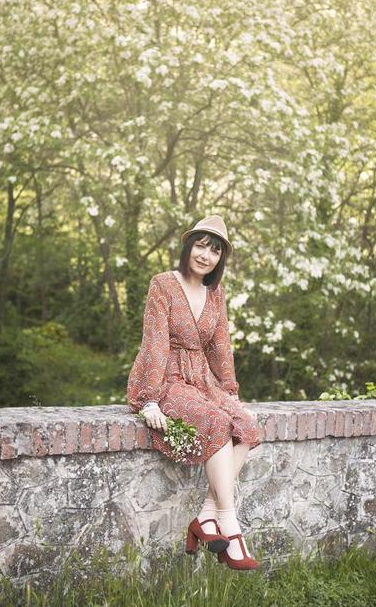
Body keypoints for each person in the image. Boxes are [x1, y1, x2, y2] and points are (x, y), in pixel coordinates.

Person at [126, 214, 261, 570]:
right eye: (201, 245)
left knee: (246, 424)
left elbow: (220, 346)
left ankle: (205, 515)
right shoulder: (163, 284)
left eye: (214, 251)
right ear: (189, 247)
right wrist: (149, 398)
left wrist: (230, 391)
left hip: (202, 378)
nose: (205, 255)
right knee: (216, 423)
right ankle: (228, 521)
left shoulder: (215, 293)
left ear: (220, 260)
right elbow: (154, 341)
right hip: (167, 376)